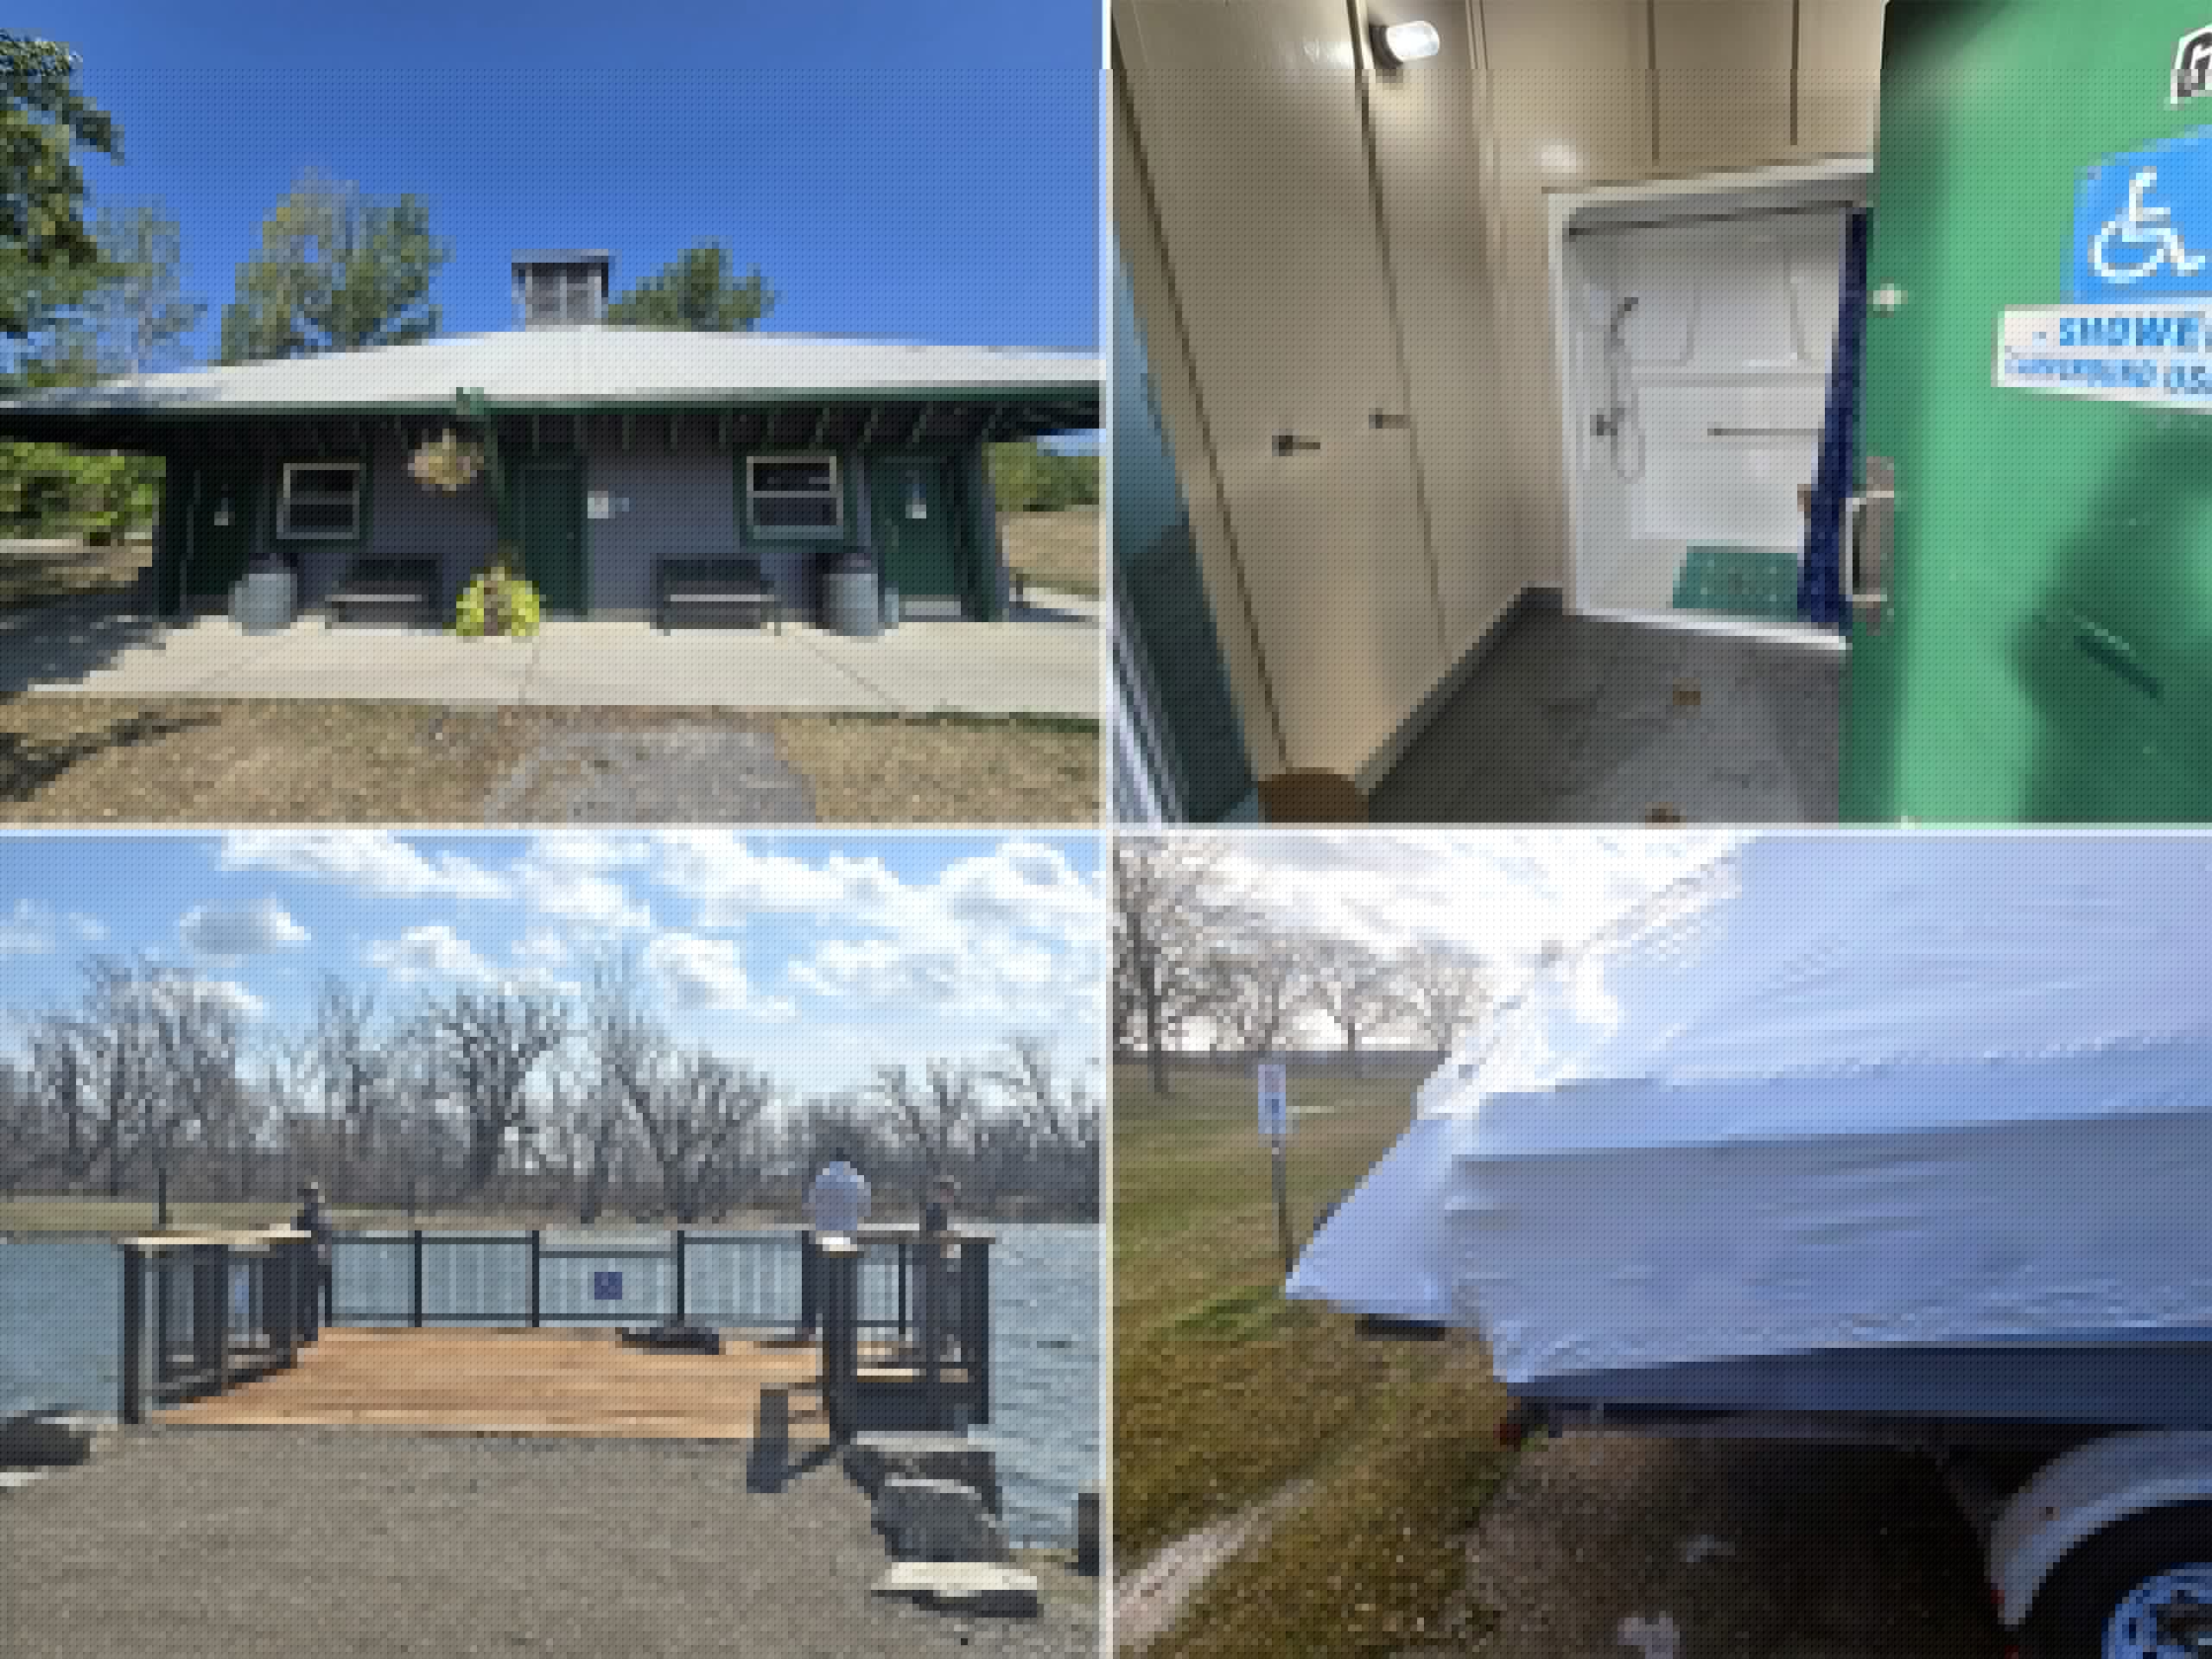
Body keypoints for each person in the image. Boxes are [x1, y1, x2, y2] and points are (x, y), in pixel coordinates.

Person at [798, 1149, 871, 1339]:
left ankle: (809, 1328)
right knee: (845, 1283)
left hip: (823, 1236)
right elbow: (865, 1209)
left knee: (815, 1282)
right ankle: (844, 1328)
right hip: (848, 1236)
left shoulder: (822, 1178)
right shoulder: (858, 1180)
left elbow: (809, 1208)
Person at [292, 1179, 334, 1327]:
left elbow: (324, 1234)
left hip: (317, 1260)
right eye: (308, 1195)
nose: (310, 1198)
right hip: (314, 1260)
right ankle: (313, 1327)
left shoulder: (320, 1215)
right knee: (311, 1297)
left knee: (316, 1296)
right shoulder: (304, 1216)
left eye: (311, 1194)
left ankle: (319, 1327)